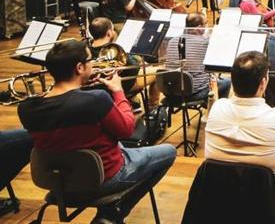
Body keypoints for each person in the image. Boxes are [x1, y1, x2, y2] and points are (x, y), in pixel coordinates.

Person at [17, 41, 176, 223]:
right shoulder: (95, 99)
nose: (94, 64)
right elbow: (126, 129)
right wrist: (117, 91)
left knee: (112, 141)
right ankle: (112, 214)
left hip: (57, 184)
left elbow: (63, 113)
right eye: (90, 60)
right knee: (168, 152)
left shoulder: (26, 108)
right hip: (103, 179)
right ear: (79, 67)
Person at [205, 51, 275, 202]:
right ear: (263, 83)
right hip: (266, 198)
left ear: (232, 81)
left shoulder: (217, 108)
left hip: (222, 196)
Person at [89, 17, 160, 110]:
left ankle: (133, 102)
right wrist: (129, 55)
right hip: (121, 84)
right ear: (109, 33)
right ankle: (153, 109)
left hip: (97, 87)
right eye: (113, 30)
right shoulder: (115, 49)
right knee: (158, 71)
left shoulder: (86, 48)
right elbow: (135, 68)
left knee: (138, 62)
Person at [165, 13, 232, 100]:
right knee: (227, 82)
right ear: (199, 28)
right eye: (205, 24)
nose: (206, 26)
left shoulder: (172, 41)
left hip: (170, 90)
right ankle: (214, 108)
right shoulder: (204, 42)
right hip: (193, 92)